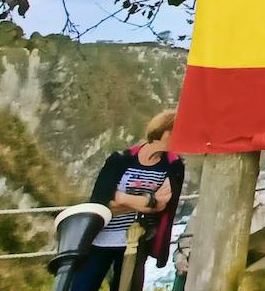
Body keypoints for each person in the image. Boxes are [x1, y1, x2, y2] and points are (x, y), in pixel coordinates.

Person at [72, 110, 184, 291]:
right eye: (175, 131)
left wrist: (121, 197)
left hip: (136, 243)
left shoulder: (173, 165)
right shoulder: (120, 160)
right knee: (82, 286)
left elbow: (162, 205)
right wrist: (148, 201)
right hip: (99, 239)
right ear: (162, 131)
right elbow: (102, 201)